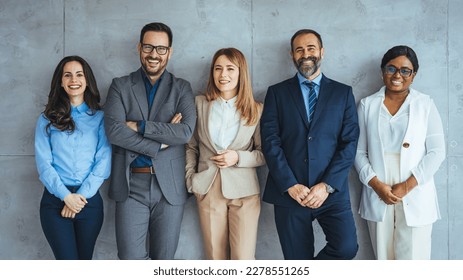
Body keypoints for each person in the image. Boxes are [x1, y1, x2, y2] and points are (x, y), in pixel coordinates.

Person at [260, 29, 359, 260]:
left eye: (311, 48)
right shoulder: (276, 93)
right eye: (299, 49)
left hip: (331, 193)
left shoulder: (343, 93)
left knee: (346, 248)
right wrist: (290, 185)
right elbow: (270, 142)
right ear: (292, 55)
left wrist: (326, 185)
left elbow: (349, 143)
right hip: (289, 193)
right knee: (297, 262)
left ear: (322, 52)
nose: (306, 54)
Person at [104, 22, 196, 260]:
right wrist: (161, 142)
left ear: (170, 51)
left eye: (161, 48)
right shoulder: (120, 86)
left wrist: (138, 125)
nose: (154, 54)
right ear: (139, 48)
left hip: (170, 189)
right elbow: (114, 132)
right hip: (131, 185)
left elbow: (185, 132)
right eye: (148, 47)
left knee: (164, 263)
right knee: (130, 261)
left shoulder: (182, 88)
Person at [354, 45, 445, 260]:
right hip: (378, 187)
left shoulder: (425, 104)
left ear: (414, 75)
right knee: (384, 258)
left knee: (414, 259)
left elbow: (437, 152)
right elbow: (358, 152)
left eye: (405, 70)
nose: (397, 75)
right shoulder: (367, 105)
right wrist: (376, 185)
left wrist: (407, 186)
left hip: (415, 185)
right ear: (382, 71)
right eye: (391, 68)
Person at [185, 48, 265, 260]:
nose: (223, 75)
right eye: (218, 68)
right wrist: (191, 180)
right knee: (215, 258)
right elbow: (191, 146)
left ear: (241, 73)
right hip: (208, 189)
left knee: (243, 259)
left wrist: (238, 157)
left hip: (245, 193)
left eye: (230, 68)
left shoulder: (256, 110)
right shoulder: (199, 104)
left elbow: (264, 153)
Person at [35, 55, 111, 260]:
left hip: (89, 203)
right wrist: (66, 197)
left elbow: (103, 162)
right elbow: (44, 165)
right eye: (67, 75)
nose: (73, 80)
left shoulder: (101, 118)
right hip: (55, 203)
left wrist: (78, 199)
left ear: (87, 80)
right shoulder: (46, 119)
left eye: (79, 74)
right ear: (60, 81)